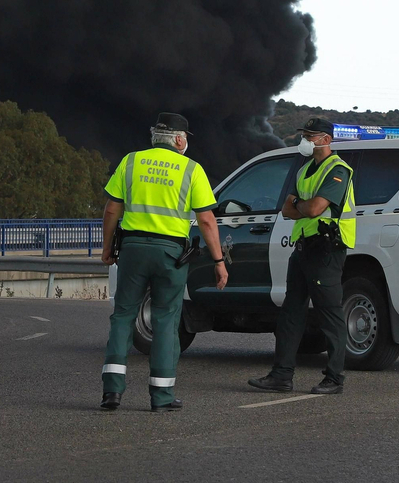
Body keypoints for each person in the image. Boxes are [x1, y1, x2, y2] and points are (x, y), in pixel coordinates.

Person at [99, 112, 227, 412]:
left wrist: (107, 248)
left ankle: (112, 393)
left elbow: (110, 210)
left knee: (122, 317)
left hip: (131, 249)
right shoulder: (191, 170)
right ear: (180, 140)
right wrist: (219, 261)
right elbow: (207, 220)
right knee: (166, 321)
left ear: (155, 136)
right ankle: (161, 397)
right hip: (170, 254)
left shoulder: (130, 161)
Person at [249, 116, 355, 396]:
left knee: (330, 315)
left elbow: (313, 209)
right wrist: (298, 204)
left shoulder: (338, 170)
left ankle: (334, 378)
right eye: (305, 135)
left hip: (326, 249)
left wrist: (298, 203)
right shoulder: (305, 169)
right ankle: (281, 376)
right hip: (303, 248)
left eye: (311, 135)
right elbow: (287, 210)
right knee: (290, 315)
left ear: (326, 140)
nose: (305, 140)